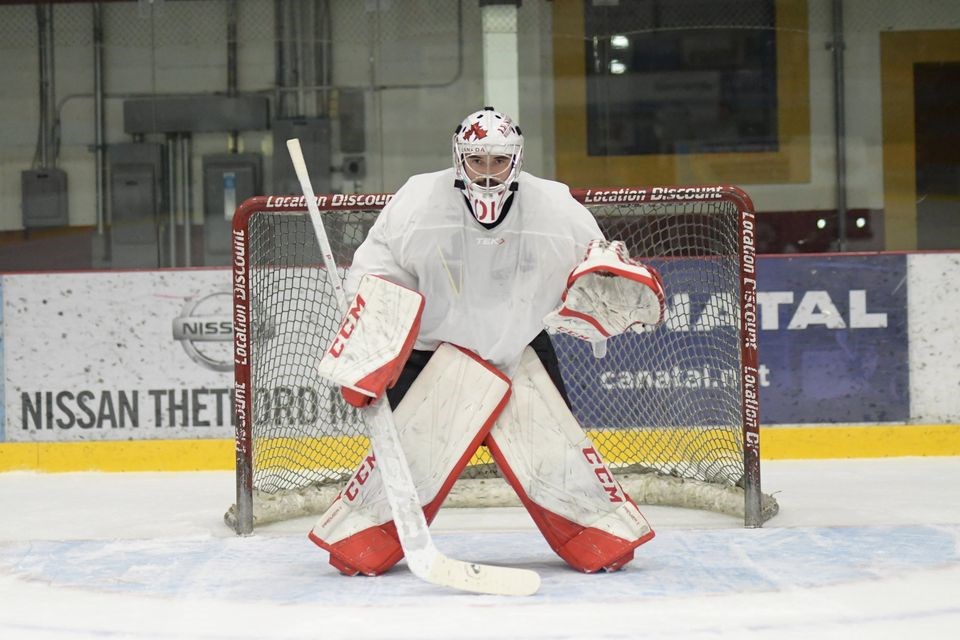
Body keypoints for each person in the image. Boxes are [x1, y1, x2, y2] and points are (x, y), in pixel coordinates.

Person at [309, 107, 666, 577]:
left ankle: (600, 534)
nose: (488, 172)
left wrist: (606, 280)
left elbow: (596, 262)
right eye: (477, 160)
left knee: (556, 460)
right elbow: (377, 276)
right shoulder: (417, 200)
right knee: (409, 463)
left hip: (519, 351)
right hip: (431, 354)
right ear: (459, 157)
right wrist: (369, 353)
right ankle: (362, 539)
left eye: (499, 161)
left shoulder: (555, 206)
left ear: (516, 159)